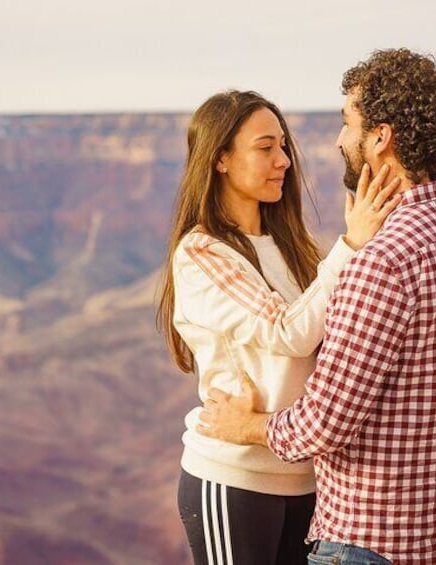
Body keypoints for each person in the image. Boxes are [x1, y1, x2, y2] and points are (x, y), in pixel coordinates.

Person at [196, 49, 436, 565]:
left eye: (347, 123)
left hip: (366, 544)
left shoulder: (380, 261)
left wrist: (243, 428)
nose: (339, 140)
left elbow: (323, 424)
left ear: (380, 137)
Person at [156, 90, 401, 565]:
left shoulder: (293, 245)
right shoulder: (202, 253)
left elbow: (337, 327)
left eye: (284, 147)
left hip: (308, 482)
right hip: (235, 478)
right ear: (221, 158)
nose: (284, 161)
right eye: (265, 148)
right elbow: (289, 332)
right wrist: (352, 243)